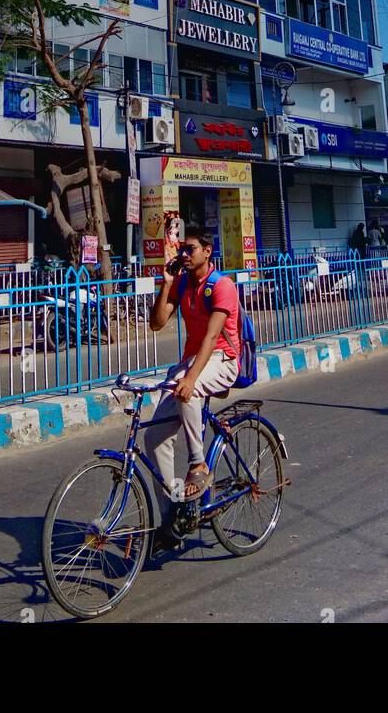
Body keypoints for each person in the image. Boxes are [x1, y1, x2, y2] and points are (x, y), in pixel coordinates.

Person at [146, 228, 241, 553]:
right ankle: (171, 516)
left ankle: (198, 465)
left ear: (207, 251)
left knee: (188, 387)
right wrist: (167, 285)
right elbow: (156, 323)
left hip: (223, 360)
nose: (184, 255)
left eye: (190, 250)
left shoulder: (222, 286)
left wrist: (190, 378)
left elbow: (213, 337)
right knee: (154, 436)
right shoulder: (184, 283)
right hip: (192, 361)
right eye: (181, 251)